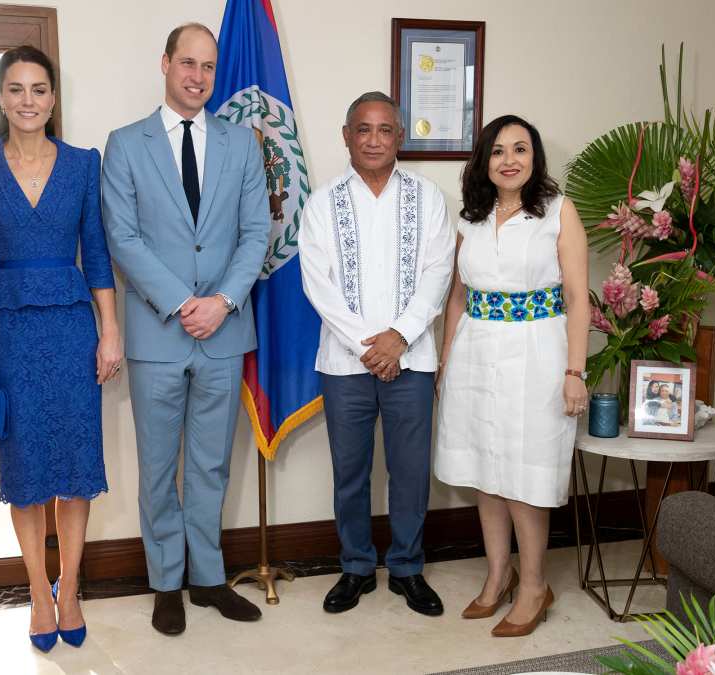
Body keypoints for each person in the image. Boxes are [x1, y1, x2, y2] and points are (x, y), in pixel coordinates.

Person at [101, 23, 270, 636]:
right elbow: (123, 237)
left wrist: (222, 300)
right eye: (187, 63)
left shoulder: (242, 144)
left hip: (225, 331)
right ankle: (165, 583)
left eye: (207, 66)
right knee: (157, 466)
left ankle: (208, 580)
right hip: (157, 333)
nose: (197, 76)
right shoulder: (125, 144)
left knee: (209, 466)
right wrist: (181, 301)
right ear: (166, 63)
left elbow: (258, 232)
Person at [0, 45, 121, 652]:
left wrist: (110, 331)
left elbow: (98, 255)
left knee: (75, 468)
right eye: (17, 89)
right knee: (25, 470)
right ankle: (35, 592)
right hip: (13, 337)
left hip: (75, 330)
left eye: (39, 89)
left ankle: (69, 589)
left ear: (53, 98)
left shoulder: (82, 163)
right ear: (1, 97)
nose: (28, 100)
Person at [298, 91, 454, 617]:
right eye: (362, 129)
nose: (373, 139)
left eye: (385, 129)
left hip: (411, 359)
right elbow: (317, 284)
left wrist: (400, 337)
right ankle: (357, 566)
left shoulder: (428, 198)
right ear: (346, 135)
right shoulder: (322, 203)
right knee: (351, 470)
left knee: (410, 470)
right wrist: (371, 346)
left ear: (400, 138)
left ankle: (407, 568)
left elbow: (438, 273)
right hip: (346, 364)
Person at [434, 115, 589, 637]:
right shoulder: (471, 218)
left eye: (520, 149)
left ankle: (534, 585)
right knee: (487, 467)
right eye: (498, 150)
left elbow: (576, 299)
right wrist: (446, 360)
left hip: (539, 352)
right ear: (484, 160)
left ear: (534, 157)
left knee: (524, 471)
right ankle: (499, 574)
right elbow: (458, 296)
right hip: (477, 350)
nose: (509, 159)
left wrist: (575, 371)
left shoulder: (557, 212)